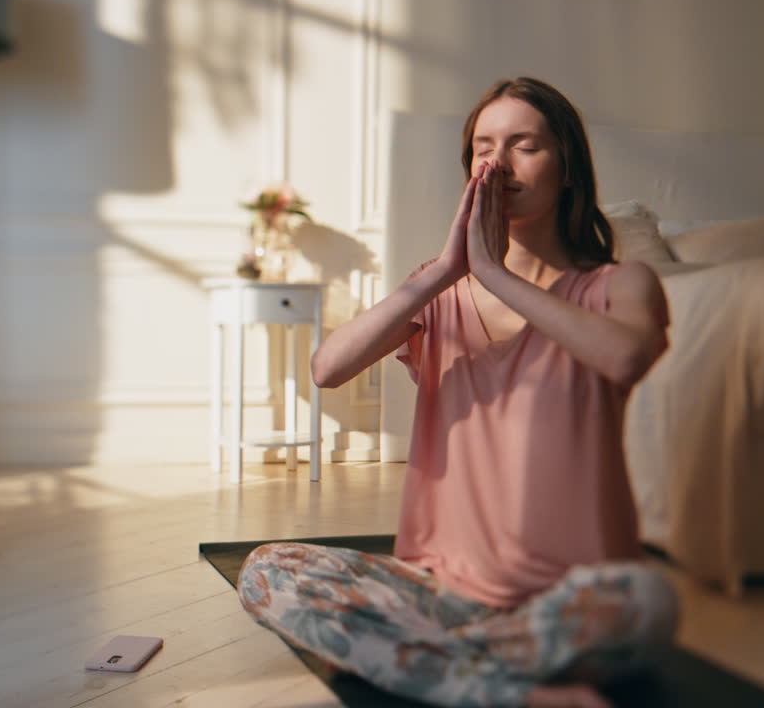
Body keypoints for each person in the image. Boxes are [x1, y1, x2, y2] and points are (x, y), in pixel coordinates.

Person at [237, 77, 676, 708]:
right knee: (268, 570)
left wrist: (493, 273)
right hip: (439, 592)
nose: (499, 163)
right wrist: (449, 271)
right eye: (483, 148)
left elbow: (627, 356)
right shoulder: (438, 291)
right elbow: (327, 369)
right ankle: (509, 691)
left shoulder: (621, 284)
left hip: (569, 600)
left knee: (648, 603)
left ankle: (434, 667)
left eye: (525, 145)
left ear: (569, 168)